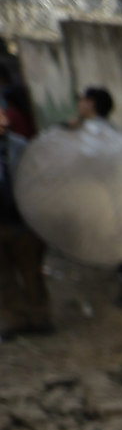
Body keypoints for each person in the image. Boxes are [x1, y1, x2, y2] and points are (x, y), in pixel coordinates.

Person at [67, 86, 122, 308]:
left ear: (91, 103)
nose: (79, 103)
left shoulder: (98, 131)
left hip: (112, 196)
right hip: (111, 195)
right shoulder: (96, 128)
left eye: (82, 99)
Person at [0, 100, 52, 337]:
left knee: (32, 273)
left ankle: (40, 318)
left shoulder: (20, 146)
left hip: (22, 222)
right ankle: (15, 320)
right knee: (4, 278)